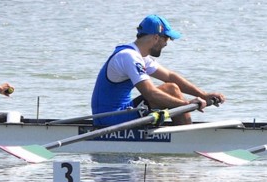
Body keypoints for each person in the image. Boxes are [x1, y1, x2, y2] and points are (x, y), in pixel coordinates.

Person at [91, 14, 226, 128]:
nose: (166, 43)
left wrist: (203, 95)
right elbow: (150, 94)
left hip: (122, 113)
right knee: (171, 89)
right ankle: (187, 139)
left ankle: (184, 136)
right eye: (166, 38)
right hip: (109, 120)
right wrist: (186, 104)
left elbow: (170, 76)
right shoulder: (129, 56)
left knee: (172, 86)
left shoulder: (140, 56)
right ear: (156, 37)